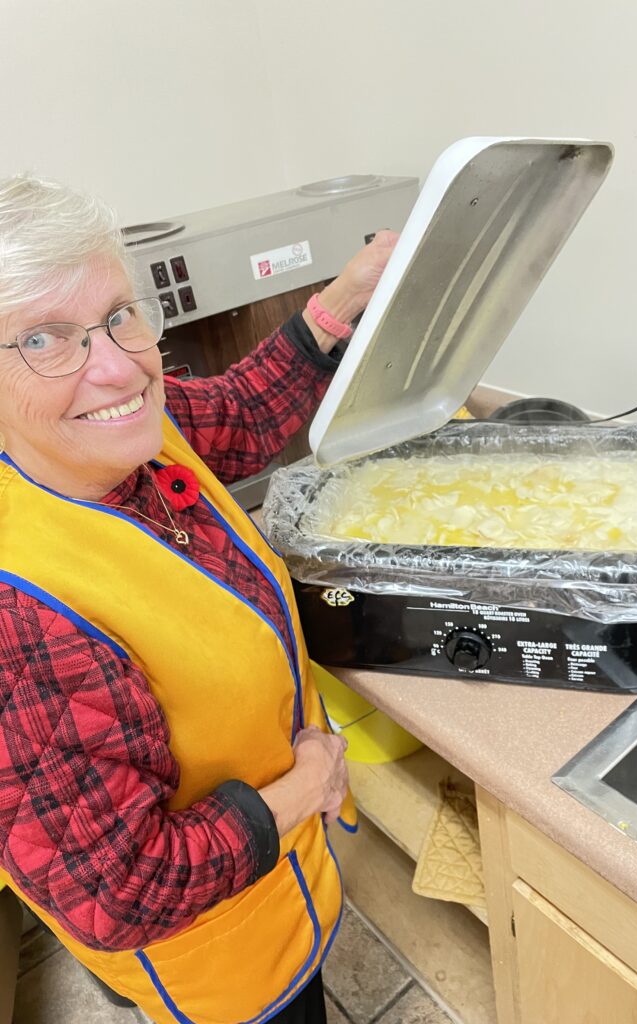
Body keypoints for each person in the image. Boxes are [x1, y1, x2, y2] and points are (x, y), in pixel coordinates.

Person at [0, 173, 398, 1024]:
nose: (119, 367)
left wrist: (347, 298)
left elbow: (240, 414)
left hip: (280, 886)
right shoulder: (18, 615)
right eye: (43, 339)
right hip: (216, 965)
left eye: (119, 315)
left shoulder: (131, 427)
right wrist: (307, 785)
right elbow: (121, 893)